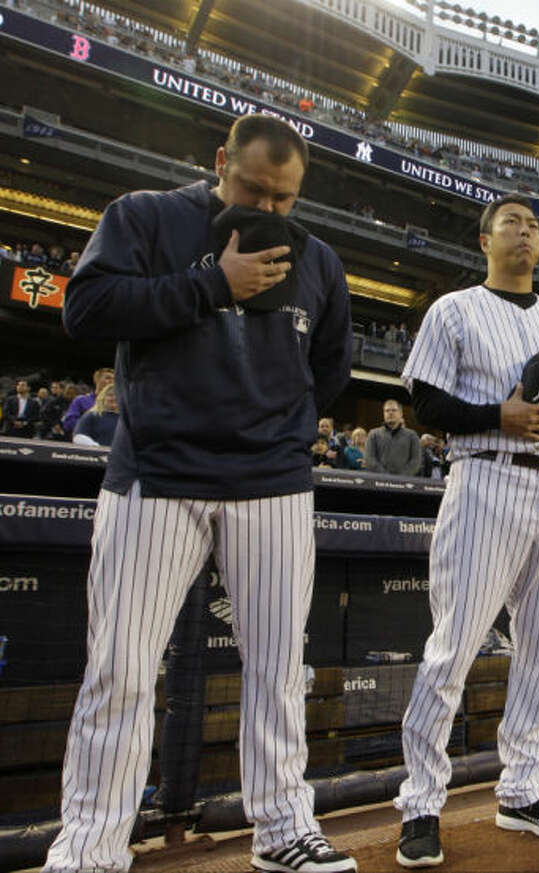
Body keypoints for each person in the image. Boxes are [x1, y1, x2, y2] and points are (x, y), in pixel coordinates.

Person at [43, 114, 357, 873]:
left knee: (280, 669)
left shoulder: (317, 258)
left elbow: (331, 371)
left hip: (272, 483)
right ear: (221, 162)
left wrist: (281, 430)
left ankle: (282, 827)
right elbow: (83, 309)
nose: (270, 208)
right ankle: (89, 846)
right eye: (254, 188)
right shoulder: (146, 216)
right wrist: (213, 283)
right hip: (159, 473)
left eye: (285, 197)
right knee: (121, 666)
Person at [393, 194, 539, 867]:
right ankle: (422, 803)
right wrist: (498, 416)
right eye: (512, 223)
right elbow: (424, 400)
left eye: (535, 225)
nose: (526, 232)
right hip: (487, 476)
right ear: (485, 240)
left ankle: (520, 790)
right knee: (453, 646)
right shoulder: (453, 309)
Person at [365, 398, 421, 476]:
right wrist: (386, 477)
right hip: (378, 483)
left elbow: (416, 461)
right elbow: (369, 460)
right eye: (387, 411)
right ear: (383, 414)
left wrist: (400, 477)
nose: (390, 413)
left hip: (404, 483)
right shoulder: (373, 434)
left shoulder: (412, 436)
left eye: (394, 410)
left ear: (401, 413)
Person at [61, 366, 113, 435]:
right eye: (108, 378)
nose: (111, 381)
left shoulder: (117, 403)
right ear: (96, 379)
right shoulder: (81, 400)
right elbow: (68, 423)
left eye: (114, 379)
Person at [72, 383, 120, 447]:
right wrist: (97, 447)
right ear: (102, 398)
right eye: (110, 395)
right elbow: (78, 437)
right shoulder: (91, 416)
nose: (114, 398)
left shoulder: (127, 418)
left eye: (117, 395)